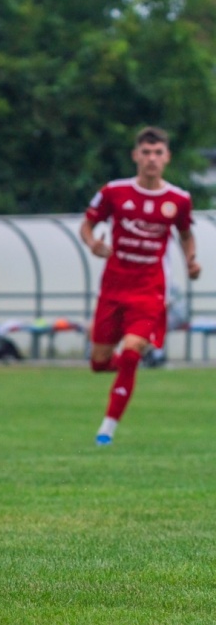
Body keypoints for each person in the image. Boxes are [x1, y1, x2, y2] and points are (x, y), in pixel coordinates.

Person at [80, 126, 201, 446]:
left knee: (132, 352)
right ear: (135, 155)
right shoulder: (114, 192)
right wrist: (93, 244)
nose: (151, 159)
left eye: (158, 153)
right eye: (146, 153)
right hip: (113, 288)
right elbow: (88, 223)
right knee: (99, 362)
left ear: (167, 157)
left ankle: (107, 429)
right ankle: (129, 367)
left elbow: (186, 234)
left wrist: (191, 261)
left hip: (150, 291)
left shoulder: (179, 199)